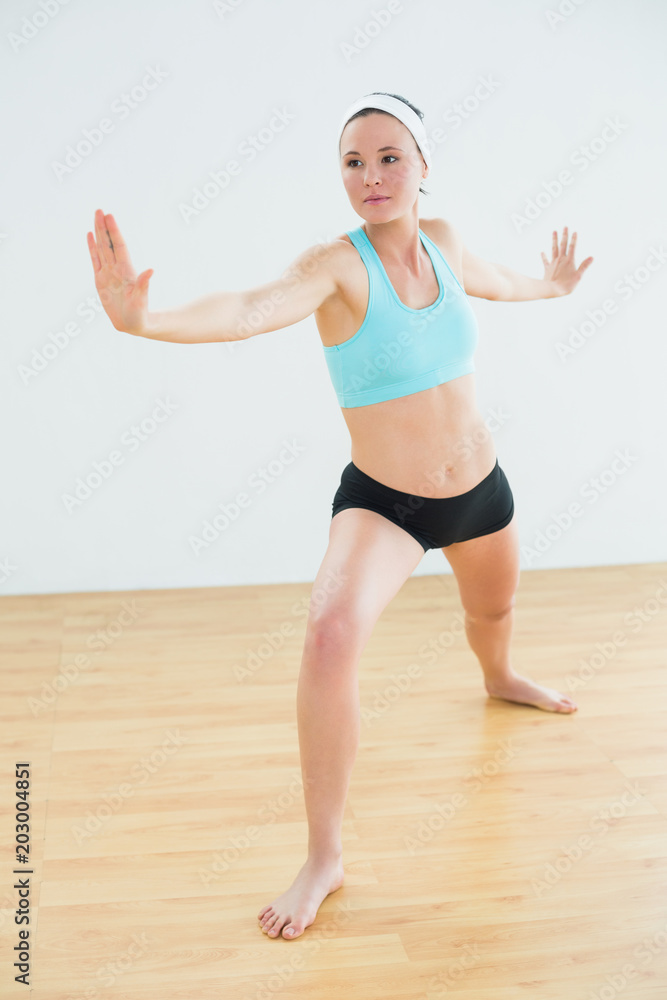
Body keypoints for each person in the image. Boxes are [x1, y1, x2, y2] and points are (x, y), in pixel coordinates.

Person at [86, 90, 594, 942]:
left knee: (493, 612)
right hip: (386, 505)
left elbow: (498, 281)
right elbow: (247, 309)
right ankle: (325, 855)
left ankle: (499, 676)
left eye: (389, 156)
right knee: (327, 634)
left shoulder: (444, 241)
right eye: (353, 162)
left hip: (480, 489)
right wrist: (148, 322)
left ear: (423, 165)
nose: (371, 176)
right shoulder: (334, 267)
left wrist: (548, 284)